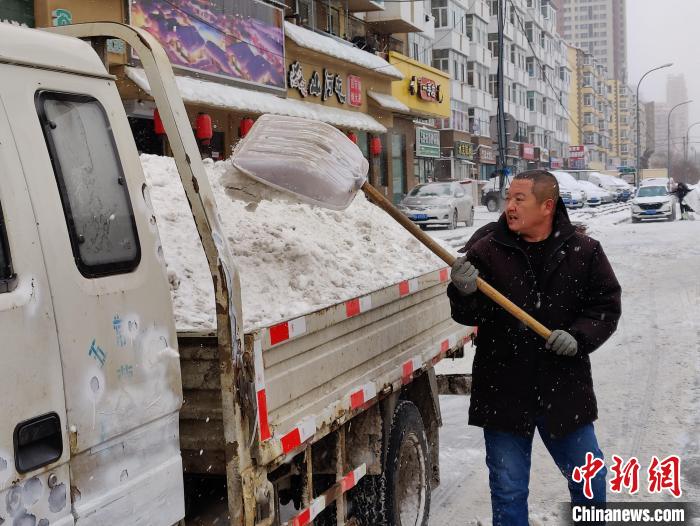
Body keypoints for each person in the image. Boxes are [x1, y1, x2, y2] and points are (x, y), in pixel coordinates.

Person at [448, 169, 622, 525]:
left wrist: (579, 337)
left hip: (564, 388)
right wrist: (462, 292)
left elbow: (605, 306)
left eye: (518, 199)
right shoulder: (487, 250)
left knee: (590, 481)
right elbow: (468, 314)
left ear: (546, 206)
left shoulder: (584, 251)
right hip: (504, 388)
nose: (508, 206)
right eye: (508, 198)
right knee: (508, 492)